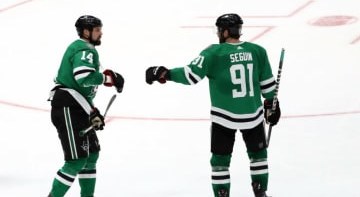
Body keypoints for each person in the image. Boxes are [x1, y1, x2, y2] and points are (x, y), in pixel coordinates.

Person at [145, 13, 281, 197]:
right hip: (252, 115)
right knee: (258, 156)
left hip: (223, 117)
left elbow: (190, 75)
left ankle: (222, 193)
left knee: (220, 161)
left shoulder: (213, 53)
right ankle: (260, 192)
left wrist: (164, 73)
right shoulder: (258, 51)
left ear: (225, 31)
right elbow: (268, 86)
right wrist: (271, 105)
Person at [47, 15, 124, 197]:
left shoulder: (84, 49)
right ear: (86, 32)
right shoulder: (84, 48)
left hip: (77, 107)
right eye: (97, 30)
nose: (101, 33)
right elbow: (83, 77)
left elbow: (79, 87)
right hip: (68, 107)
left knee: (91, 156)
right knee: (76, 161)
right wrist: (107, 78)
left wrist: (92, 111)